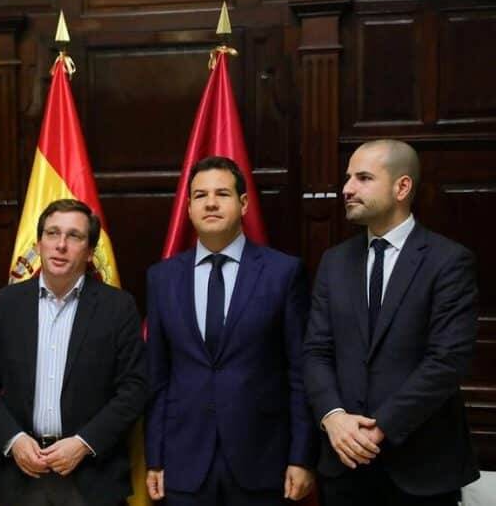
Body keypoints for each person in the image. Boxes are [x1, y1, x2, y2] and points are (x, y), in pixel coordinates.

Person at [304, 139, 480, 506]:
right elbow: (317, 351)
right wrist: (333, 417)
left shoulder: (449, 261)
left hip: (422, 468)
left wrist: (379, 428)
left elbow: (447, 361)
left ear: (402, 187)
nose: (347, 189)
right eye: (348, 178)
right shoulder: (334, 262)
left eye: (363, 178)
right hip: (344, 466)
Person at [144, 156, 317, 505]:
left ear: (243, 204)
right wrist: (155, 458)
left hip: (262, 460)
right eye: (200, 195)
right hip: (183, 461)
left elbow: (300, 372)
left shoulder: (283, 273)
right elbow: (158, 376)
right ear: (188, 208)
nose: (210, 203)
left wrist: (301, 456)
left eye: (222, 194)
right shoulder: (162, 278)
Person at [0, 198, 148, 506]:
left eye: (74, 236)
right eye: (52, 233)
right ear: (39, 244)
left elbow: (135, 387)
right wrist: (14, 439)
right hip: (20, 475)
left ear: (90, 251)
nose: (60, 245)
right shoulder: (5, 304)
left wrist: (84, 443)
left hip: (92, 475)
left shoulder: (118, 308)